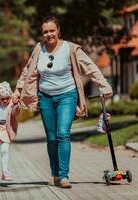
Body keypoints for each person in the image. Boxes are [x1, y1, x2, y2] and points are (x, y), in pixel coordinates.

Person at [13, 15, 113, 188]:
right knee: (51, 138)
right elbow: (27, 71)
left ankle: (64, 176)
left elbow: (90, 67)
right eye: (45, 31)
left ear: (58, 30)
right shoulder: (39, 49)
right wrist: (17, 90)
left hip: (67, 96)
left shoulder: (71, 49)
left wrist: (103, 85)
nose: (49, 34)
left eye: (52, 30)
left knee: (62, 134)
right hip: (45, 98)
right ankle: (55, 174)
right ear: (42, 33)